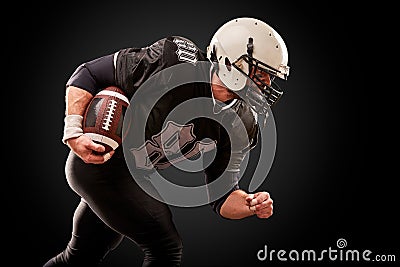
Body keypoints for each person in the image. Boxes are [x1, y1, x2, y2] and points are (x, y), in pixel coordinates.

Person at [43, 17, 290, 267]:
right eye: (261, 73)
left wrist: (249, 205)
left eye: (270, 76)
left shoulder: (241, 122)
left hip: (133, 179)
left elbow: (223, 196)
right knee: (166, 247)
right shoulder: (174, 62)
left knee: (78, 258)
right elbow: (88, 73)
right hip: (100, 165)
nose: (267, 84)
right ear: (229, 61)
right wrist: (74, 131)